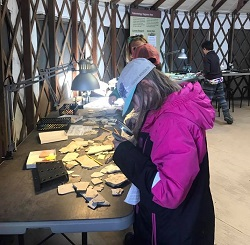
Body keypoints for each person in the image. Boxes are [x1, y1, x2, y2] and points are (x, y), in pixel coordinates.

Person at [112, 58, 215, 244]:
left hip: (174, 232)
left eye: (134, 100)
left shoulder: (173, 122)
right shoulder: (167, 107)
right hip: (179, 221)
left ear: (147, 86)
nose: (134, 107)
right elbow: (164, 146)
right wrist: (141, 128)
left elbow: (169, 191)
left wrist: (125, 153)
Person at [109, 37, 162, 105]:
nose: (139, 50)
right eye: (135, 48)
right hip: (137, 105)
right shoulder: (132, 69)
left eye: (141, 47)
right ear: (131, 53)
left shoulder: (154, 66)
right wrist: (115, 94)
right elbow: (124, 83)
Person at [201, 40, 233, 124]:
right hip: (219, 79)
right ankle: (227, 116)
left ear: (204, 49)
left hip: (211, 81)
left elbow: (207, 71)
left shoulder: (206, 57)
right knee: (222, 98)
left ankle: (206, 118)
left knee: (206, 100)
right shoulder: (216, 56)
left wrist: (202, 74)